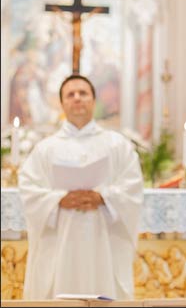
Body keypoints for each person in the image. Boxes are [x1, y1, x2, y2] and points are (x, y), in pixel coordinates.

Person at [18, 74, 144, 300]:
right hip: (60, 239)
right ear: (62, 103)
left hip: (102, 238)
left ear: (93, 101)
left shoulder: (117, 145)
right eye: (70, 94)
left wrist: (103, 197)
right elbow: (29, 191)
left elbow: (133, 187)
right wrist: (58, 200)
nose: (77, 98)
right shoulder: (45, 149)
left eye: (83, 93)